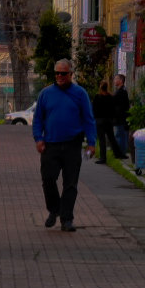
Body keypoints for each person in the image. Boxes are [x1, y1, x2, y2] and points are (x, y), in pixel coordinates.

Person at [31, 59, 96, 230]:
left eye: (63, 73)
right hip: (50, 144)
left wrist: (91, 143)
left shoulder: (80, 94)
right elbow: (38, 119)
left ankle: (66, 219)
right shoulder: (45, 94)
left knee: (70, 183)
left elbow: (89, 119)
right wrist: (38, 138)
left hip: (72, 145)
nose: (60, 76)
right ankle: (54, 209)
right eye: (57, 73)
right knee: (48, 179)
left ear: (71, 74)